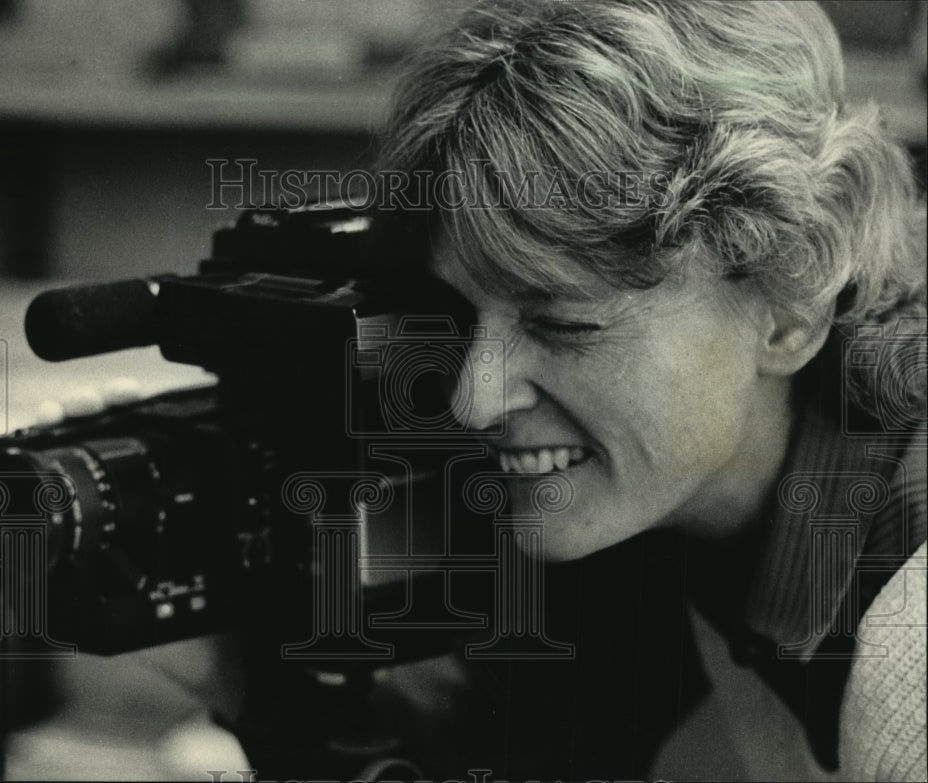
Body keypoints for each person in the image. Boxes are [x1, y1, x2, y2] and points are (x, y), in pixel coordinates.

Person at [373, 0, 926, 780]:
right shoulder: (717, 498)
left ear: (791, 304)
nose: (475, 399)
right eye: (463, 314)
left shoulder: (913, 649)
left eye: (564, 323)